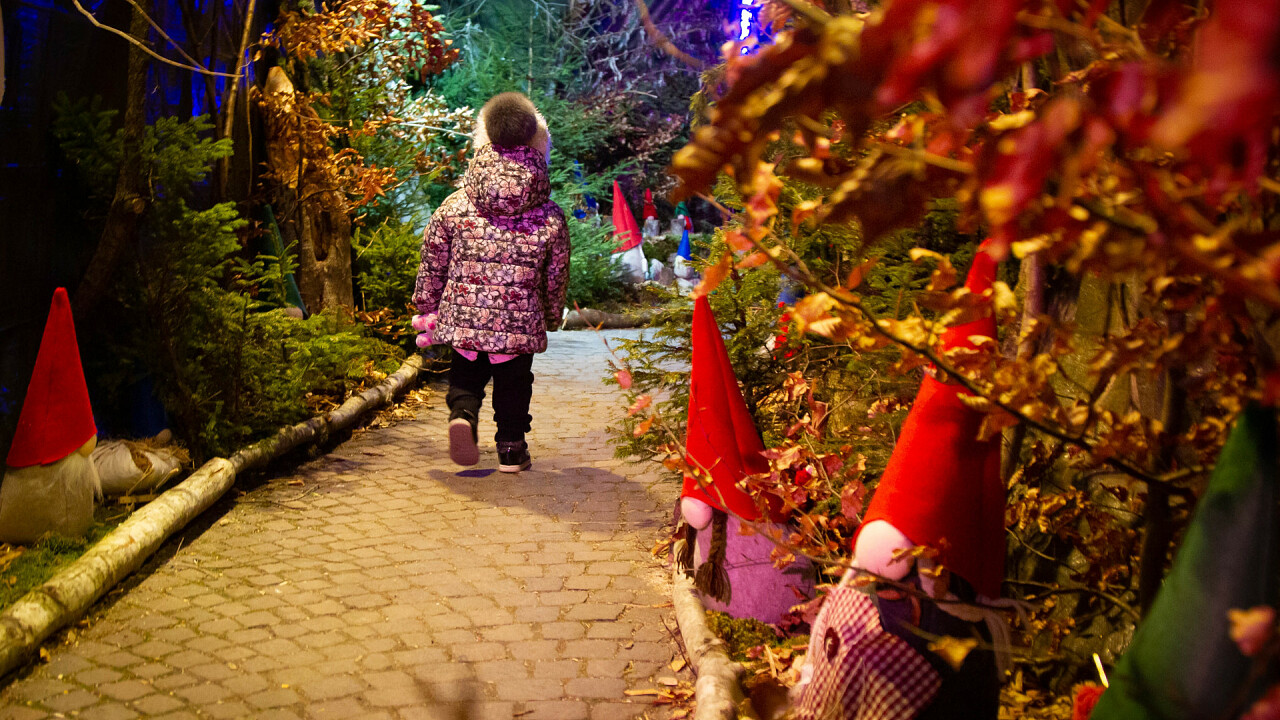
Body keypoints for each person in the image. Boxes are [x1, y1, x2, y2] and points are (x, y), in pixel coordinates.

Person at [412, 92, 570, 472]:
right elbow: (556, 271)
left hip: (462, 317)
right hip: (518, 323)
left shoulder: (455, 204)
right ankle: (512, 449)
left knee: (466, 372)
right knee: (514, 384)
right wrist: (549, 314)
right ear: (538, 141)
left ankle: (463, 414)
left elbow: (433, 257)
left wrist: (426, 304)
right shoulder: (548, 214)